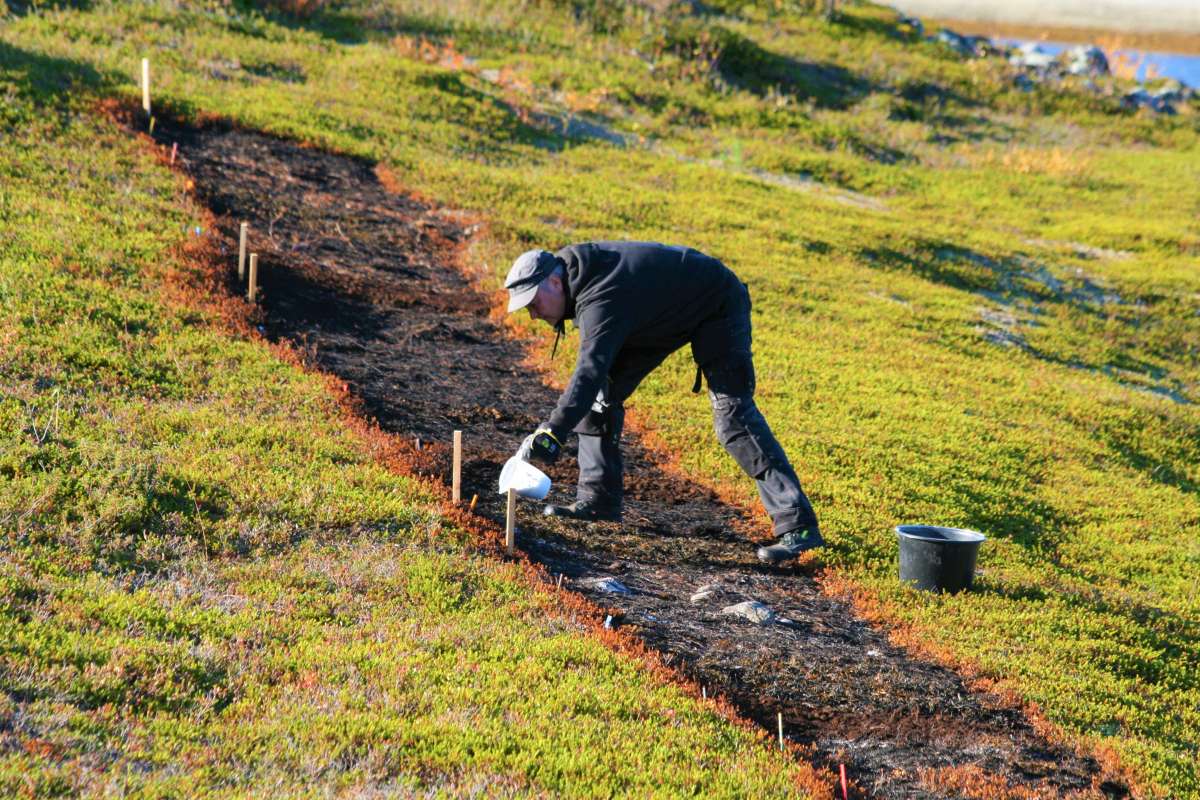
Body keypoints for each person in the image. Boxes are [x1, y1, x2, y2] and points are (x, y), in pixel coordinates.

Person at [505, 241, 823, 564]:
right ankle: (597, 502)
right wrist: (554, 429)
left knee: (733, 417)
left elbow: (587, 371)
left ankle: (799, 528)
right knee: (601, 394)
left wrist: (552, 430)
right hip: (661, 317)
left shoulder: (600, 296)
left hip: (717, 304)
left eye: (532, 303)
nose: (532, 315)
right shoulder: (583, 279)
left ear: (555, 283)